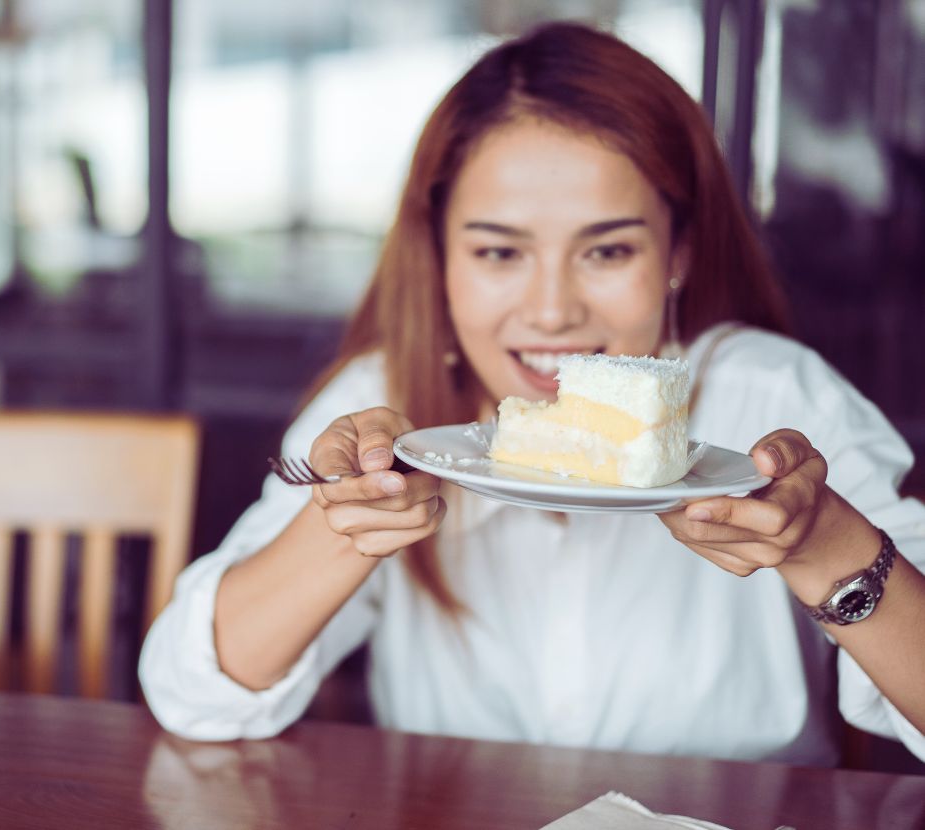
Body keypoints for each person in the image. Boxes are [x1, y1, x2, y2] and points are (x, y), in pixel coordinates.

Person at [138, 22, 925, 765]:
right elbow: (191, 696)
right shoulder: (388, 400)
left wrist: (826, 545)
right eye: (500, 252)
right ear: (440, 257)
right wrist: (346, 524)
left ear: (678, 251)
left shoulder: (773, 393)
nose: (552, 310)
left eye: (608, 249)